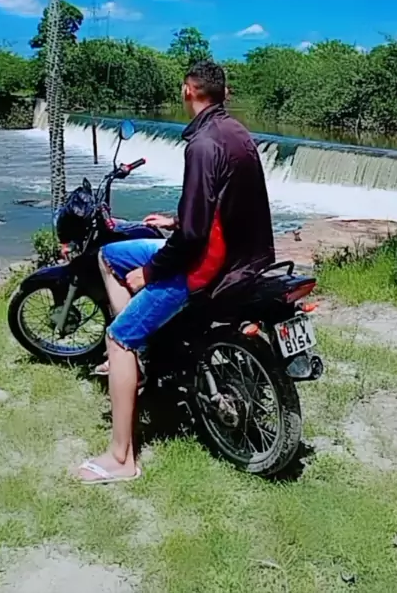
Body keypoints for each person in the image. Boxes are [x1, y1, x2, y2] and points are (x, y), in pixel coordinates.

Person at [77, 60, 275, 483]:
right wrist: (175, 220)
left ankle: (121, 459)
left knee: (118, 337)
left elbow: (192, 239)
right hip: (239, 254)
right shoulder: (236, 132)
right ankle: (144, 355)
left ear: (188, 91)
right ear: (225, 93)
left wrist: (149, 273)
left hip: (204, 264)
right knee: (110, 256)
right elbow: (216, 208)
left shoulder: (201, 145)